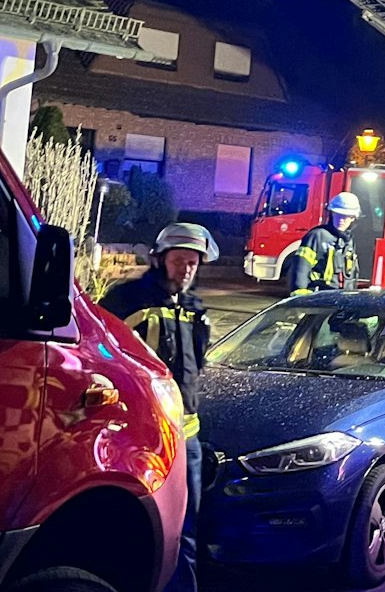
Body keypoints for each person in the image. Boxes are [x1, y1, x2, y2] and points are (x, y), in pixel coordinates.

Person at [100, 222, 219, 592]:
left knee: (187, 526)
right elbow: (101, 354)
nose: (186, 269)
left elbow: (194, 371)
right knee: (138, 525)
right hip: (142, 437)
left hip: (187, 439)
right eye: (179, 260)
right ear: (160, 259)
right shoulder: (127, 301)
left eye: (193, 263)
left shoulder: (195, 308)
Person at [283, 191, 361, 294]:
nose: (340, 220)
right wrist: (299, 291)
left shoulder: (348, 241)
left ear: (353, 218)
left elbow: (351, 273)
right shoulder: (317, 235)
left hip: (342, 296)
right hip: (320, 294)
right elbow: (301, 265)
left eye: (345, 216)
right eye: (337, 214)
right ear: (332, 213)